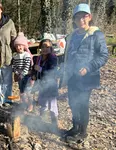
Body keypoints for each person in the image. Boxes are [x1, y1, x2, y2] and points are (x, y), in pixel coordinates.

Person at [60, 3, 108, 143]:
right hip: (72, 76)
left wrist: (88, 67)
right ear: (74, 20)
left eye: (84, 16)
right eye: (78, 17)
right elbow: (67, 56)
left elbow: (103, 55)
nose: (81, 19)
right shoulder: (72, 36)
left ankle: (82, 132)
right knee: (73, 103)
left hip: (87, 78)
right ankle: (75, 127)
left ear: (89, 17)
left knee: (82, 104)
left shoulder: (96, 34)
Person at [31, 39, 59, 129]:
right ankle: (41, 121)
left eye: (47, 47)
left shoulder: (53, 58)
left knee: (52, 105)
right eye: (43, 46)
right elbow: (34, 69)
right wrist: (34, 75)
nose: (45, 49)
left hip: (51, 85)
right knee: (42, 102)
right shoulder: (38, 58)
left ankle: (55, 124)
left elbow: (52, 72)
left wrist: (40, 69)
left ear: (51, 48)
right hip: (42, 84)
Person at [12, 32, 33, 112]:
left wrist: (23, 74)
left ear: (24, 46)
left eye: (20, 45)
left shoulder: (26, 55)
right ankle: (24, 104)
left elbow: (27, 66)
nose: (19, 47)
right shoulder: (15, 55)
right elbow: (14, 65)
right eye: (17, 46)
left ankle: (30, 104)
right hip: (19, 75)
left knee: (28, 90)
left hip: (27, 75)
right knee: (21, 90)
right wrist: (16, 72)